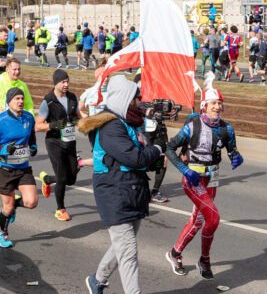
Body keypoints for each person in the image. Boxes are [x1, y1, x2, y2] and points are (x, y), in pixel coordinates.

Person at [77, 75, 162, 294]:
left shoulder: (128, 124)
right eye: (137, 98)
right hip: (115, 193)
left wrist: (153, 140)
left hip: (130, 190)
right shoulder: (112, 127)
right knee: (128, 251)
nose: (140, 102)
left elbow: (141, 155)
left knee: (122, 245)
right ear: (126, 99)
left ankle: (98, 280)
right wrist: (158, 149)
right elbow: (135, 158)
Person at [165, 86, 243, 280]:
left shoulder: (227, 129)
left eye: (219, 103)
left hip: (212, 179)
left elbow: (232, 150)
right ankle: (204, 260)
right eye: (213, 103)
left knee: (199, 220)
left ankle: (174, 253)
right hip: (192, 179)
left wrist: (236, 157)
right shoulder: (192, 126)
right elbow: (169, 148)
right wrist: (184, 169)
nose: (217, 107)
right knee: (214, 219)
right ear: (204, 106)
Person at [35, 69, 81, 221]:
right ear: (56, 83)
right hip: (54, 142)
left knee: (71, 179)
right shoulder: (48, 101)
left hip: (70, 142)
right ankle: (60, 209)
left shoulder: (73, 97)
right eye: (63, 82)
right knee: (62, 178)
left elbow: (80, 117)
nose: (66, 84)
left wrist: (93, 121)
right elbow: (37, 126)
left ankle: (47, 179)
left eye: (67, 81)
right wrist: (54, 125)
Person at [0, 87, 38, 248]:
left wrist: (34, 147)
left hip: (23, 168)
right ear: (9, 102)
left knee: (32, 202)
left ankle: (15, 206)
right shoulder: (1, 121)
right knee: (7, 208)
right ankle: (3, 233)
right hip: (5, 170)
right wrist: (3, 151)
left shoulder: (29, 117)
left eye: (22, 98)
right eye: (17, 99)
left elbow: (32, 137)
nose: (21, 101)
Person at [134, 73, 169, 203]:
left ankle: (155, 190)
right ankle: (140, 189)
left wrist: (165, 140)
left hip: (158, 135)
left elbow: (162, 121)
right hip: (143, 135)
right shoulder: (136, 102)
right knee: (142, 163)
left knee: (162, 161)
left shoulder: (156, 99)